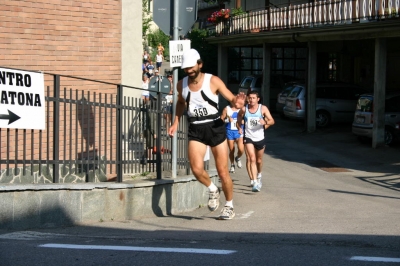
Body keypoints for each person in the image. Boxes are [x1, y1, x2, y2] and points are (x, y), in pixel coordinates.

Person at [168, 49, 245, 220]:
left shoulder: (213, 80)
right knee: (196, 168)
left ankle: (229, 206)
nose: (189, 71)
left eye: (192, 67)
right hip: (195, 127)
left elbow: (231, 98)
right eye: (186, 68)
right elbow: (181, 103)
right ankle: (212, 189)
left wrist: (237, 102)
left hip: (215, 126)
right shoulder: (182, 84)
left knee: (222, 171)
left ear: (200, 64)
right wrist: (175, 122)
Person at [236, 90, 275, 192]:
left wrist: (265, 122)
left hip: (260, 138)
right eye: (250, 98)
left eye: (253, 98)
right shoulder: (245, 109)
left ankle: (259, 174)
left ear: (258, 99)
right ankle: (254, 182)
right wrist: (239, 125)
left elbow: (272, 121)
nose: (251, 100)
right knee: (251, 158)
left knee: (259, 160)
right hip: (248, 137)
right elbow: (239, 115)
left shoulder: (263, 108)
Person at [220, 100, 244, 174]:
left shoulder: (242, 109)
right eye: (233, 101)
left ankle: (238, 157)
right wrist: (227, 120)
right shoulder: (226, 109)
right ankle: (232, 164)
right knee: (231, 149)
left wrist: (243, 122)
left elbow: (246, 118)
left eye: (237, 101)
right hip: (229, 131)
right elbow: (221, 119)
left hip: (239, 131)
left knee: (241, 149)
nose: (235, 103)